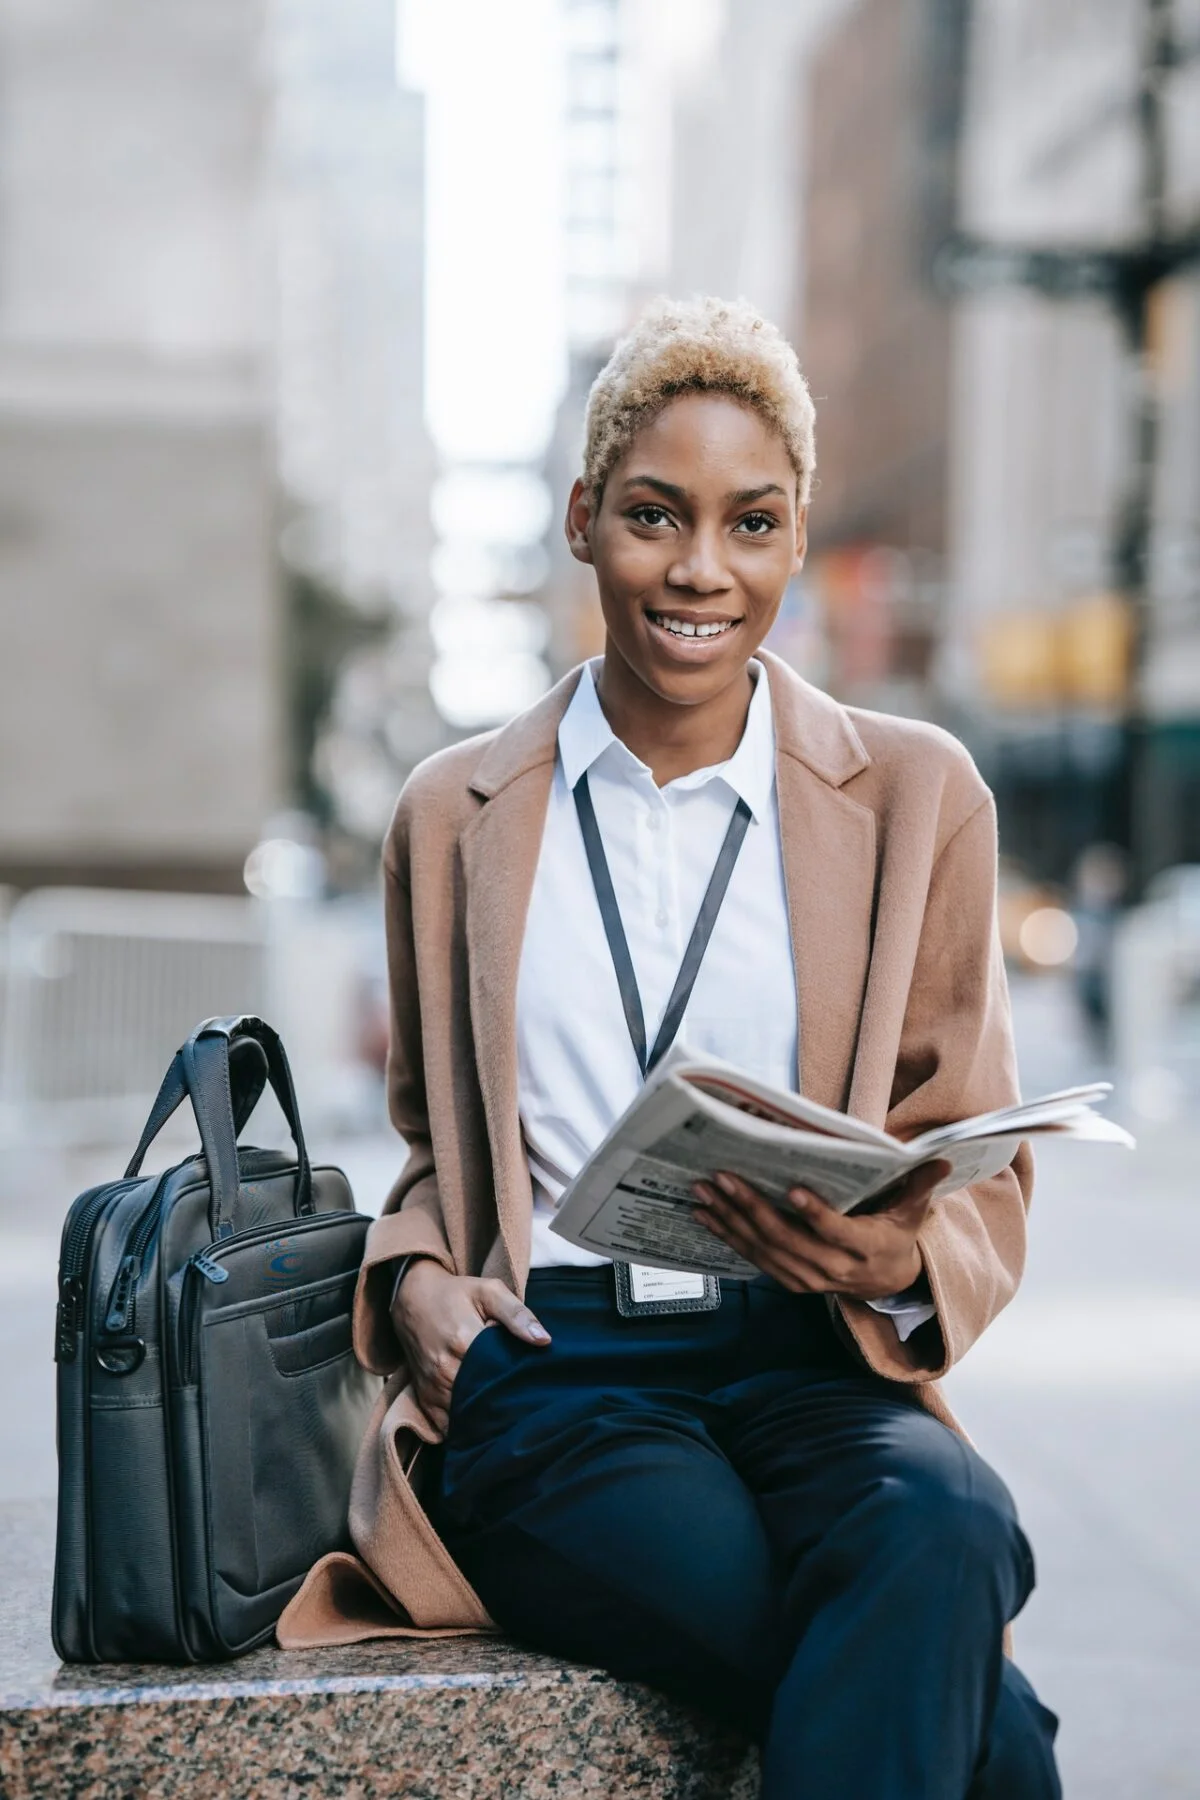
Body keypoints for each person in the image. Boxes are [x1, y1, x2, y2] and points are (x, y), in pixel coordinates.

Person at [280, 297, 1061, 1799]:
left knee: (946, 1521)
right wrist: (422, 1280)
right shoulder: (454, 814)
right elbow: (436, 1146)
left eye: (751, 524)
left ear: (794, 538)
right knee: (956, 1688)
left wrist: (891, 1262)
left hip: (808, 1352)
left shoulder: (917, 795)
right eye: (655, 516)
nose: (702, 570)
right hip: (557, 1368)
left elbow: (974, 1135)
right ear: (583, 522)